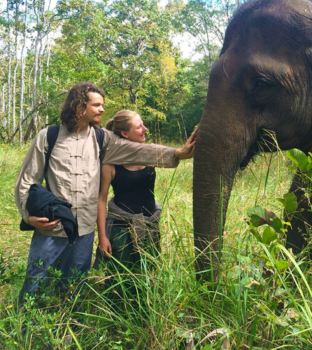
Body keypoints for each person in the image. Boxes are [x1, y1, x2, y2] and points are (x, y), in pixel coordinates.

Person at [14, 82, 196, 306]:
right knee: (37, 279)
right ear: (79, 106)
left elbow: (138, 150)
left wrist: (177, 153)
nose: (102, 109)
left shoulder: (102, 138)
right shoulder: (48, 136)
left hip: (84, 231)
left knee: (75, 284)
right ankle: (26, 332)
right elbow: (26, 180)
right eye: (97, 105)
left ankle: (69, 330)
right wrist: (28, 217)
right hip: (52, 226)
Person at [96, 110, 165, 271]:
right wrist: (103, 237)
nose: (145, 129)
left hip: (150, 224)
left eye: (143, 125)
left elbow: (177, 155)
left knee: (149, 275)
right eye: (139, 127)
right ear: (125, 134)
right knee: (122, 279)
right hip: (121, 228)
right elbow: (101, 199)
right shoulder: (110, 163)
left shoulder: (148, 154)